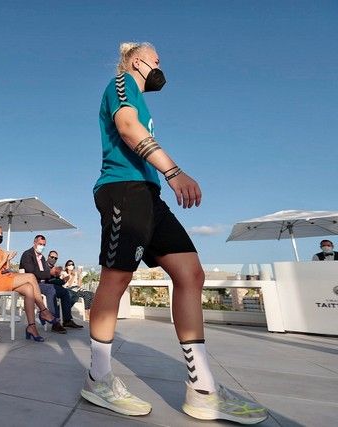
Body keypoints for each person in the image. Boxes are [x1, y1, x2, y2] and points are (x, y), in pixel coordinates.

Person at [83, 42, 267, 424]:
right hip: (123, 189)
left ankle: (202, 390)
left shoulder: (141, 98)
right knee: (116, 279)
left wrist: (161, 179)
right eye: (157, 60)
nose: (160, 67)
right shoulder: (121, 83)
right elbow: (128, 128)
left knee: (191, 273)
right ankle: (98, 378)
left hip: (149, 194)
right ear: (138, 60)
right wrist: (173, 171)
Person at [0, 225, 55, 341]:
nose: (1, 236)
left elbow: (5, 269)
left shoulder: (1, 251)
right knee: (31, 276)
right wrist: (4, 260)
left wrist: (8, 260)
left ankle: (31, 327)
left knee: (29, 288)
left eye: (1, 234)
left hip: (5, 279)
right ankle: (44, 311)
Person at [19, 236, 77, 333]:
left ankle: (67, 320)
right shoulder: (27, 254)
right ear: (34, 243)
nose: (42, 246)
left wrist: (55, 274)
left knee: (64, 292)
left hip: (43, 284)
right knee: (51, 290)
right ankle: (55, 322)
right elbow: (31, 273)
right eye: (40, 244)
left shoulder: (41, 257)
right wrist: (50, 273)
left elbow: (46, 274)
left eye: (44, 245)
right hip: (32, 284)